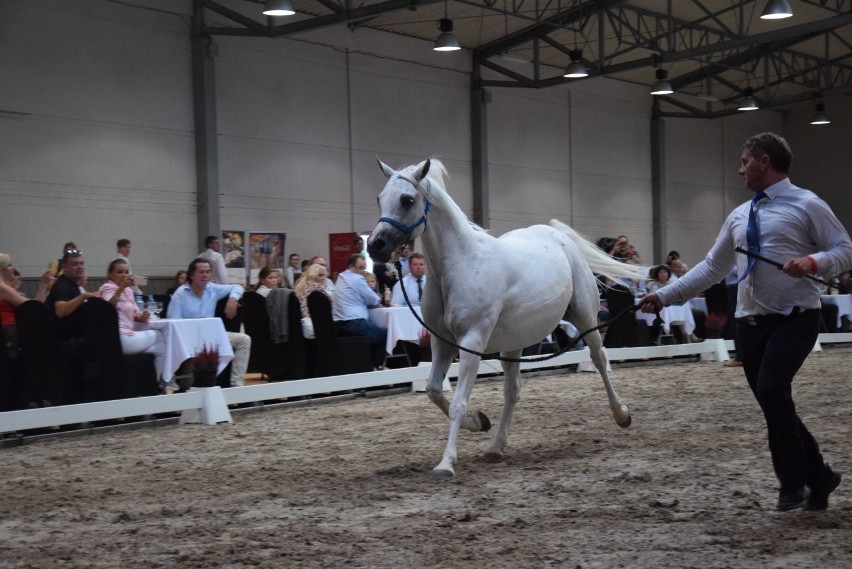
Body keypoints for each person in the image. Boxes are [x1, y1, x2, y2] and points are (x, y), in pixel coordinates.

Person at [638, 132, 852, 512]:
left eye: (743, 162)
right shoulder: (739, 215)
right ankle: (820, 477)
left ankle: (793, 483)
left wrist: (813, 262)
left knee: (772, 391)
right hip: (749, 324)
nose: (739, 170)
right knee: (774, 402)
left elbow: (844, 250)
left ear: (764, 161)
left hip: (795, 319)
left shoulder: (807, 204)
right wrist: (665, 294)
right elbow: (711, 268)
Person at [166, 258, 251, 387]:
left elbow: (237, 287)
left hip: (212, 337)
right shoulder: (180, 294)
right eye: (201, 272)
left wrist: (232, 299)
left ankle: (236, 385)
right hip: (189, 339)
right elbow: (173, 323)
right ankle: (183, 384)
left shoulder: (212, 289)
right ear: (191, 275)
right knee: (191, 370)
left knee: (244, 340)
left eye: (208, 272)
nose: (205, 275)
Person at [98, 259, 166, 386]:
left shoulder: (128, 291)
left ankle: (154, 384)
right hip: (118, 338)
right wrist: (121, 288)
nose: (124, 275)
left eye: (126, 272)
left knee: (161, 348)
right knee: (159, 335)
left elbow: (134, 313)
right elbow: (108, 308)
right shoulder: (108, 288)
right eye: (120, 272)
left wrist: (142, 316)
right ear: (110, 275)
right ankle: (156, 384)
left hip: (129, 334)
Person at [331, 254, 387, 368]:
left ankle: (371, 366)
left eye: (364, 268)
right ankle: (377, 367)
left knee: (375, 334)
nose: (363, 271)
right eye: (361, 268)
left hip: (338, 325)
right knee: (386, 335)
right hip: (354, 324)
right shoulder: (356, 278)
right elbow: (373, 299)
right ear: (351, 267)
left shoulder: (341, 277)